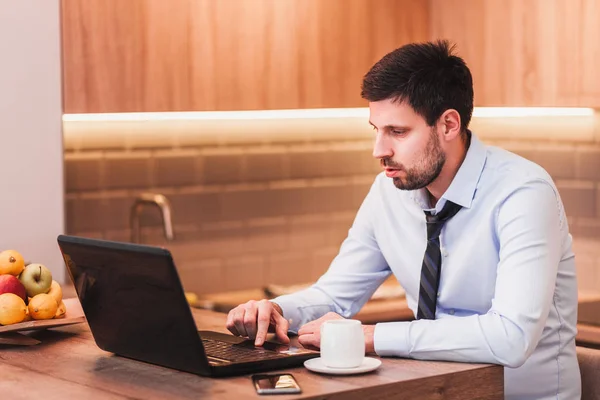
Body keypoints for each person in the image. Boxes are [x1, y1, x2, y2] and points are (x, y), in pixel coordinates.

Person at [225, 40, 581, 399]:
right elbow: (335, 294)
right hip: (435, 390)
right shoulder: (388, 192)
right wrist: (276, 310)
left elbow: (511, 337)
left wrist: (374, 336)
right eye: (375, 129)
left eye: (397, 132)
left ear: (449, 124)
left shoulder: (523, 192)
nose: (379, 151)